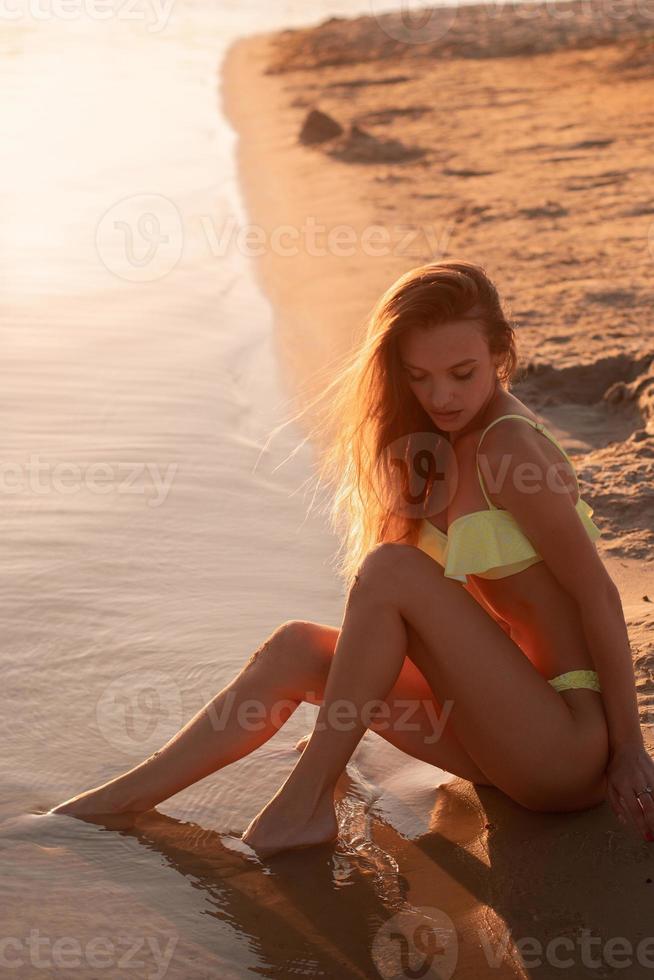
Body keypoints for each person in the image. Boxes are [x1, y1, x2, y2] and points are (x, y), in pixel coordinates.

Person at [50, 260, 654, 857]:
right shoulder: (430, 445)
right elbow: (407, 623)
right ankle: (112, 804)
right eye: (420, 376)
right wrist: (344, 713)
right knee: (297, 649)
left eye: (463, 373)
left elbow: (596, 594)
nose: (441, 395)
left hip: (569, 744)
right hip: (498, 728)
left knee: (392, 567)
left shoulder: (511, 448)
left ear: (500, 353)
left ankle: (307, 798)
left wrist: (629, 748)